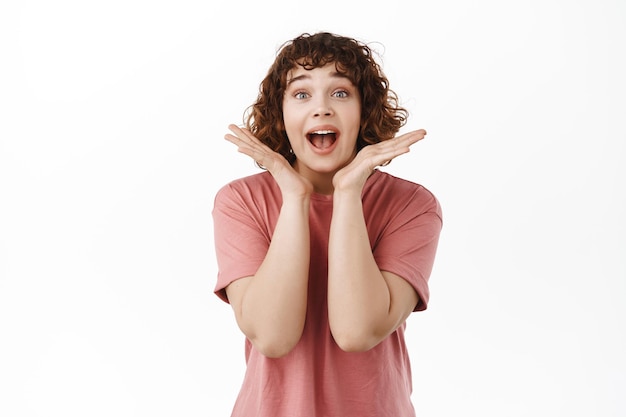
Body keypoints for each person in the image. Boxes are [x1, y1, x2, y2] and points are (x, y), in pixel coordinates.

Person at [212, 31, 443, 417]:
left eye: (340, 93)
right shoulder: (241, 202)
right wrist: (295, 197)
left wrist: (348, 192)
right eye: (301, 94)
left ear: (364, 109)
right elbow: (272, 336)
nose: (321, 109)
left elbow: (357, 332)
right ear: (281, 114)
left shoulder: (411, 206)